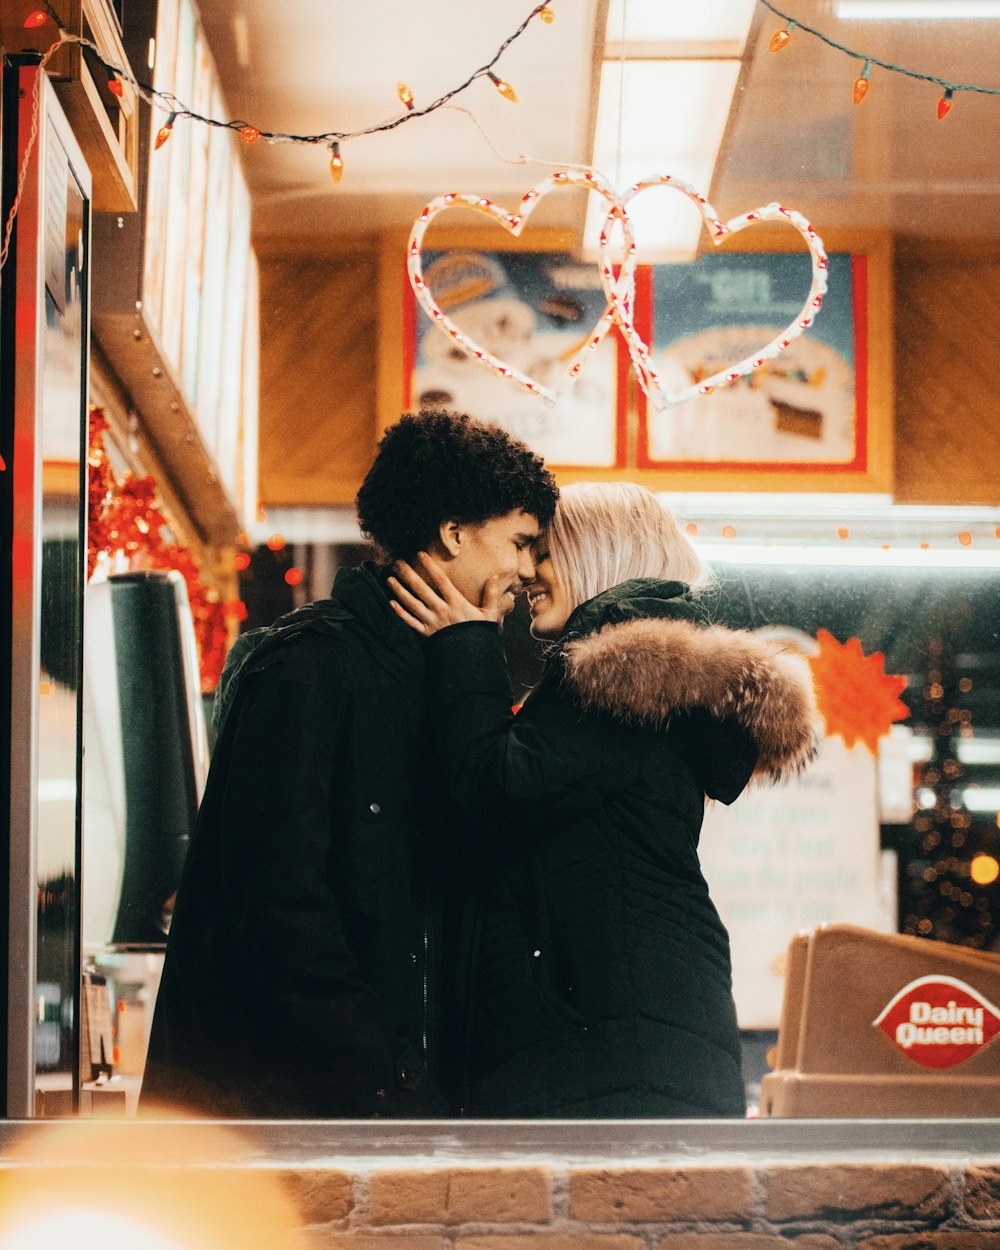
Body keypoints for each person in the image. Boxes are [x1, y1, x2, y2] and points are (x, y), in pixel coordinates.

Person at [140, 410, 558, 1118]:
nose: (524, 570)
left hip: (369, 1112)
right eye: (518, 542)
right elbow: (280, 909)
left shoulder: (442, 682)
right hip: (278, 1126)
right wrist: (392, 1079)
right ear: (454, 532)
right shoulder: (307, 669)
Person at [390, 481, 818, 1118]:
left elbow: (496, 785)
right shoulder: (629, 684)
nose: (528, 571)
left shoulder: (621, 674)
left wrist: (466, 644)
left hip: (614, 1044)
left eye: (545, 550)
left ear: (599, 554)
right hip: (637, 1032)